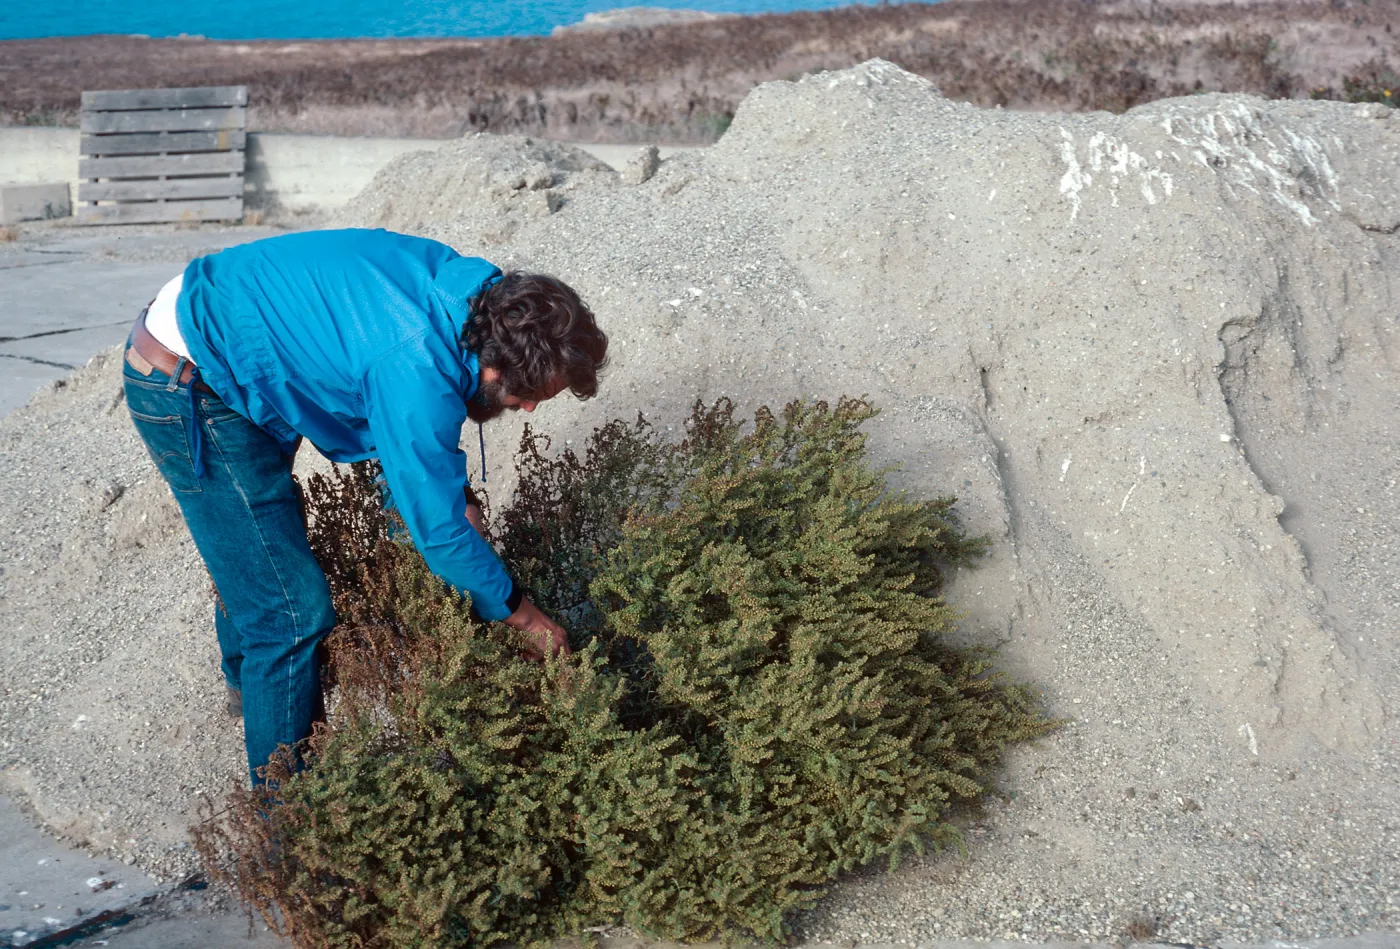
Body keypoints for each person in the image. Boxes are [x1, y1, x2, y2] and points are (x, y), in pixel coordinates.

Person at [120, 228, 607, 785]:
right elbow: (439, 527)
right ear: (495, 367)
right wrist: (523, 615)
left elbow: (406, 438)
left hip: (241, 333)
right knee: (289, 611)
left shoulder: (473, 299)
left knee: (265, 559)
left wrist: (455, 505)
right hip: (186, 380)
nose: (525, 411)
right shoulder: (416, 365)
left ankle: (250, 689)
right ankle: (288, 828)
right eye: (528, 396)